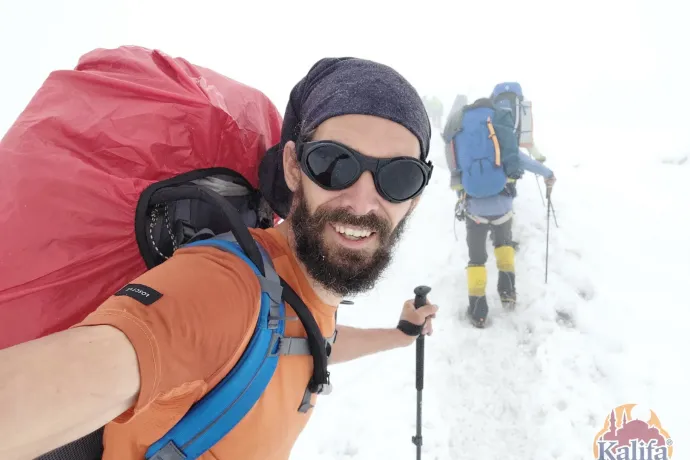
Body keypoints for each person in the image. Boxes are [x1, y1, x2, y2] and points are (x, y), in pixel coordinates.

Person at [0, 57, 439, 460]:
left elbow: (315, 340)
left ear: (415, 198)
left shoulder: (303, 292)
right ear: (292, 167)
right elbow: (77, 374)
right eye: (333, 163)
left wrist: (398, 335)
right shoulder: (226, 289)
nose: (362, 202)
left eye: (398, 176)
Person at [446, 96, 555, 328]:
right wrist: (547, 173)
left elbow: (455, 171)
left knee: (476, 259)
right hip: (503, 206)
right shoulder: (498, 125)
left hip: (474, 209)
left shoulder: (460, 130)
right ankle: (508, 293)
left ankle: (478, 311)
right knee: (504, 245)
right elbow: (521, 160)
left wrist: (463, 198)